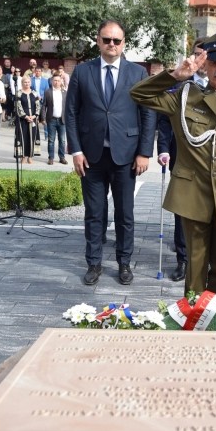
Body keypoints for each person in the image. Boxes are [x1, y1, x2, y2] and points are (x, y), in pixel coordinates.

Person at [129, 32, 216, 297]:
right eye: (214, 61)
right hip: (193, 196)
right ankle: (193, 318)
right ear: (205, 64)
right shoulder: (184, 96)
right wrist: (174, 76)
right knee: (195, 266)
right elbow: (139, 94)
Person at [65, 19, 156, 286]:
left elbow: (147, 114)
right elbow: (70, 113)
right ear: (98, 41)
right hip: (91, 156)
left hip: (126, 157)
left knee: (125, 213)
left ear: (124, 43)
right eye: (107, 40)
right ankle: (94, 263)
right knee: (94, 212)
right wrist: (76, 150)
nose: (112, 44)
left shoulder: (138, 73)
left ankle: (124, 262)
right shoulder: (82, 72)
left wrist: (144, 152)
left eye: (117, 40)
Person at [155, 38, 207, 280]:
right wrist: (163, 148)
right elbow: (165, 120)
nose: (203, 60)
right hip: (182, 158)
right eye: (198, 54)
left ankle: (205, 260)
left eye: (208, 55)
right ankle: (183, 260)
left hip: (212, 163)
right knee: (182, 211)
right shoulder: (180, 85)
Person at [40, 73, 67, 165]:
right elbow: (44, 106)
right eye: (55, 80)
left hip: (62, 120)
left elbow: (68, 107)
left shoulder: (64, 93)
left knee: (62, 140)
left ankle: (62, 157)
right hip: (51, 119)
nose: (56, 82)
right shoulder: (48, 92)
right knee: (51, 140)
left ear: (61, 82)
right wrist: (43, 118)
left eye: (58, 80)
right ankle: (51, 157)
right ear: (52, 81)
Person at [14, 76, 40, 165]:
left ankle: (30, 157)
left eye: (28, 82)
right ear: (22, 83)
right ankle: (23, 157)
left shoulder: (34, 93)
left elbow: (37, 105)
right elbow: (18, 106)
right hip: (22, 119)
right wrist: (25, 116)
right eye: (25, 82)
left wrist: (34, 116)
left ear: (31, 83)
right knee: (23, 137)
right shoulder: (19, 93)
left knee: (31, 137)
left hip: (32, 119)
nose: (27, 84)